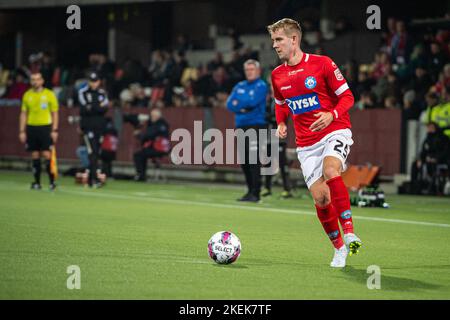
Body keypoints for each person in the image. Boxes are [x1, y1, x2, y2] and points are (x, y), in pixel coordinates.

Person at [267, 18, 361, 268]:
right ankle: (339, 249)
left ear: (294, 39)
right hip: (307, 144)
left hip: (335, 130)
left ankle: (350, 231)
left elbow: (348, 97)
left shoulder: (323, 64)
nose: (275, 45)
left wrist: (332, 114)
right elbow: (280, 104)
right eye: (273, 40)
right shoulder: (277, 75)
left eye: (279, 40)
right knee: (320, 199)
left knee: (332, 170)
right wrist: (282, 123)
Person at [226, 59, 268, 202]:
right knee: (244, 160)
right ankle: (250, 190)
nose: (249, 72)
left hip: (256, 125)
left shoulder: (261, 86)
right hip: (241, 125)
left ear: (258, 71)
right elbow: (230, 104)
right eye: (247, 70)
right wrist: (242, 106)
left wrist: (241, 104)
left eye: (252, 69)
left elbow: (252, 102)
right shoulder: (240, 85)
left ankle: (256, 193)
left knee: (254, 159)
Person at [18, 72, 59, 190]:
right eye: (33, 80)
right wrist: (22, 131)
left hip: (45, 127)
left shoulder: (49, 94)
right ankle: (37, 182)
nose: (35, 82)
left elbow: (55, 113)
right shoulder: (27, 95)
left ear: (42, 81)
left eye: (37, 79)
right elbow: (23, 114)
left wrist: (55, 130)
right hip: (31, 127)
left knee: (47, 154)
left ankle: (52, 182)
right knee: (34, 154)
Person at [78, 71, 109, 187]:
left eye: (95, 81)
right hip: (88, 126)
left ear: (99, 82)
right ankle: (94, 179)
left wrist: (93, 107)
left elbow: (104, 108)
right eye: (92, 81)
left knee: (96, 152)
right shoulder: (83, 92)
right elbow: (85, 109)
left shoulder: (102, 93)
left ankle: (92, 178)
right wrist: (96, 107)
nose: (94, 83)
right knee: (92, 151)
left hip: (99, 126)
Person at [133, 109, 170, 181]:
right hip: (160, 148)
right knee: (142, 154)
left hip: (158, 149)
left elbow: (149, 135)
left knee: (138, 155)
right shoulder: (162, 124)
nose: (151, 117)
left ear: (157, 116)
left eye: (153, 116)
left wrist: (139, 135)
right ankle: (142, 175)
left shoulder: (159, 125)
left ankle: (141, 175)